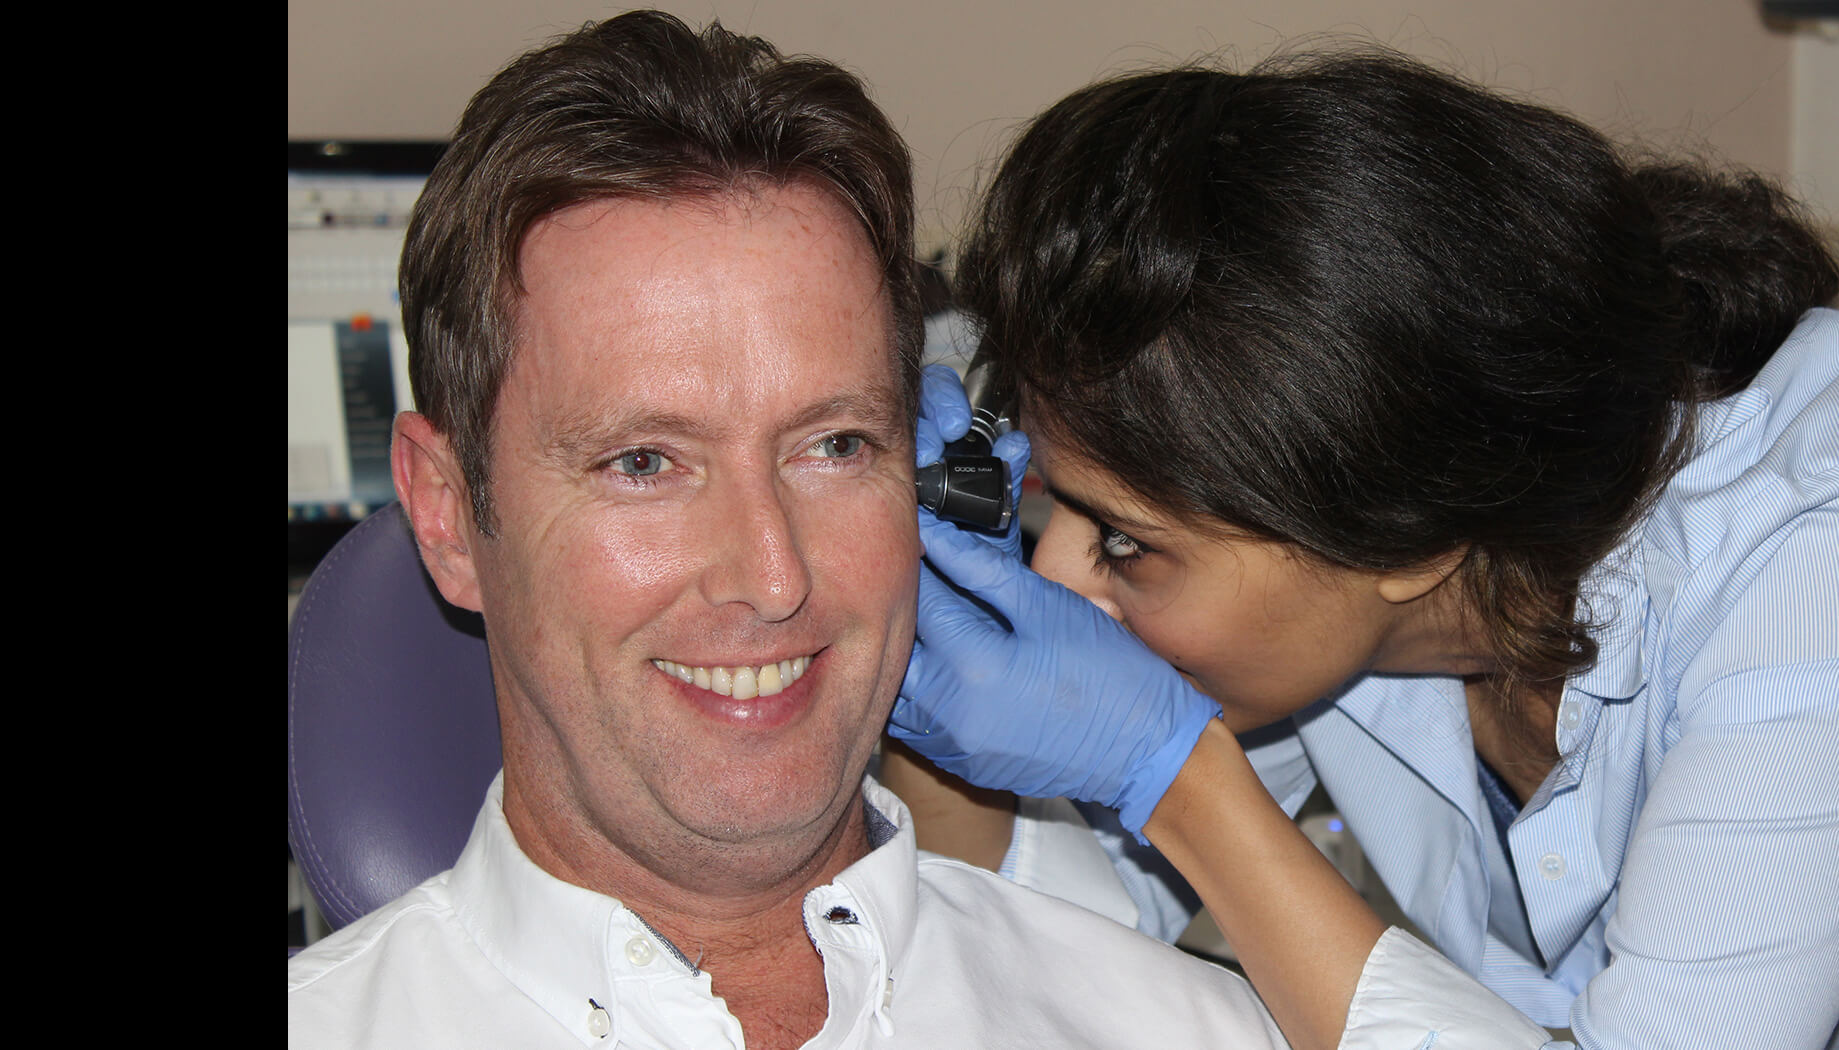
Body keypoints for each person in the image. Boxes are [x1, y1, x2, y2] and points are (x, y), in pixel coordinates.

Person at [285, 12, 1295, 1049]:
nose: (773, 576)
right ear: (451, 517)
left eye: (837, 446)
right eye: (645, 463)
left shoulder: (1190, 1025)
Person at [886, 48, 1839, 1050]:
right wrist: (928, 643)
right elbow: (1071, 938)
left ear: (1413, 536)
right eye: (1048, 508)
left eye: (1121, 539)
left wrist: (1178, 777)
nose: (1058, 574)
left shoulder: (1832, 573)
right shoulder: (1351, 557)